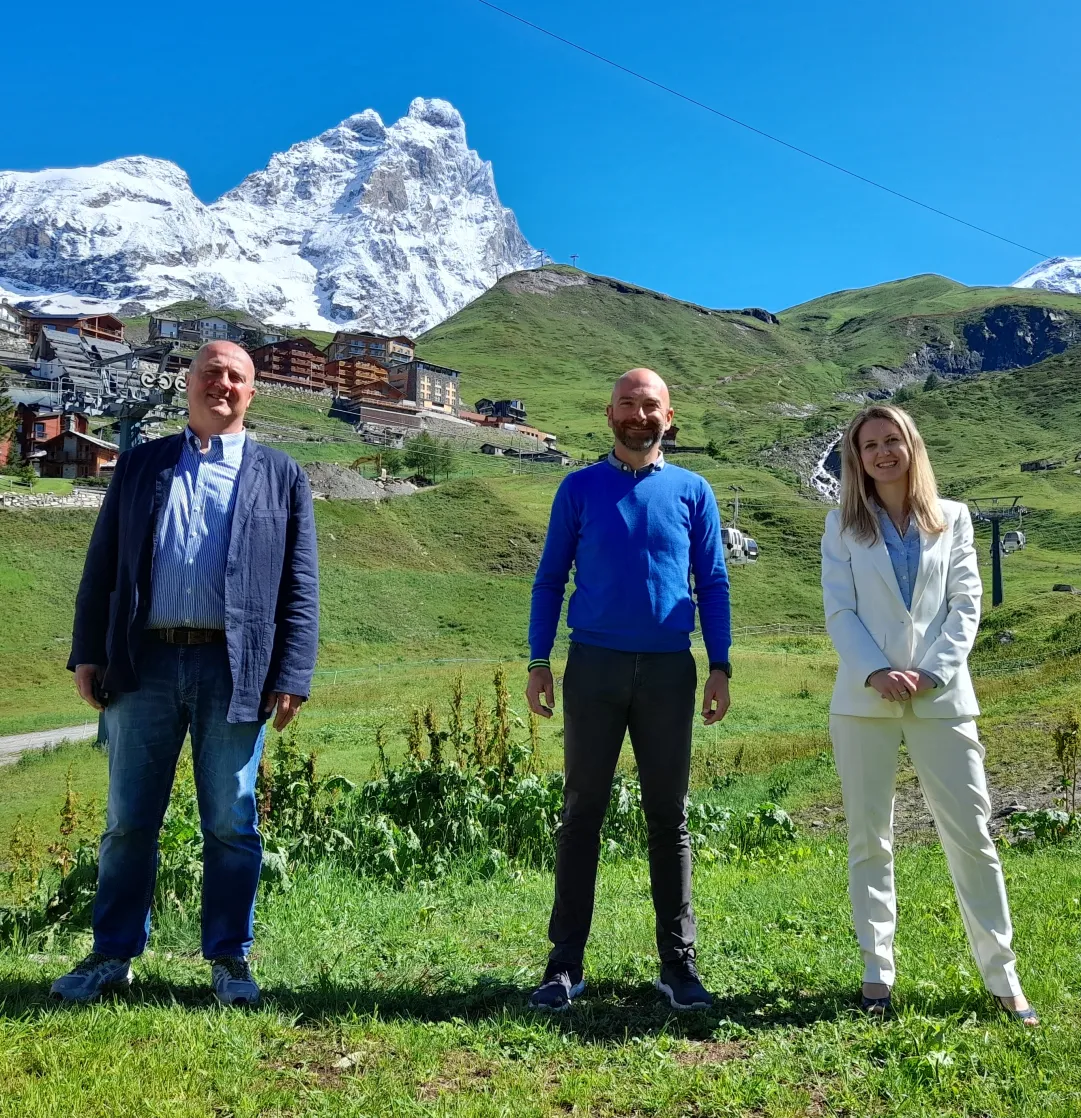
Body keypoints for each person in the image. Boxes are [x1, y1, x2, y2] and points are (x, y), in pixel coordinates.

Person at [51, 341, 319, 1008]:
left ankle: (229, 958)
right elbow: (103, 563)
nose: (221, 383)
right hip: (143, 664)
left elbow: (300, 582)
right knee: (126, 821)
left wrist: (292, 669)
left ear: (252, 392)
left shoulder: (279, 473)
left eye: (235, 376)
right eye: (209, 373)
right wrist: (89, 650)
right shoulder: (142, 465)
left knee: (231, 820)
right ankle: (113, 955)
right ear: (187, 385)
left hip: (236, 668)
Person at [821, 404, 1037, 1025]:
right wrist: (876, 671)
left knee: (972, 836)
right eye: (870, 445)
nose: (883, 452)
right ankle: (876, 974)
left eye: (894, 440)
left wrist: (931, 670)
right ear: (857, 459)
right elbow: (840, 610)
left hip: (942, 699)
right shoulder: (841, 526)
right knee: (869, 839)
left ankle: (1004, 976)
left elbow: (966, 604)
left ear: (912, 447)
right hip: (864, 702)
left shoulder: (955, 520)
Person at [525, 368, 732, 1012]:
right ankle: (564, 966)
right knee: (581, 813)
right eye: (627, 405)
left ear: (669, 417)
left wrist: (720, 664)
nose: (639, 415)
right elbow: (550, 579)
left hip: (671, 671)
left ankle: (679, 967)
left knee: (668, 819)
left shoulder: (694, 491)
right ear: (607, 413)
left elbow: (714, 583)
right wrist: (538, 659)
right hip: (593, 668)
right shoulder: (578, 489)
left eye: (651, 406)